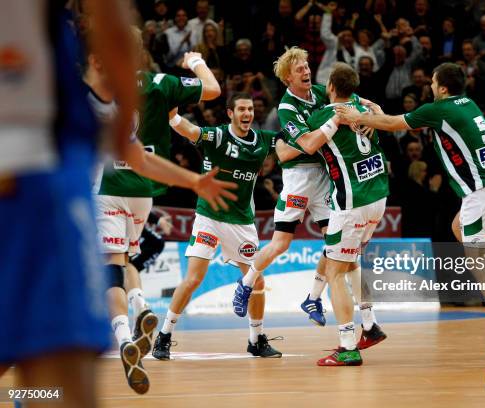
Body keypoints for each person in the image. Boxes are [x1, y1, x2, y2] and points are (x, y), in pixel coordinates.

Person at [0, 1, 134, 406]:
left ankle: (22, 394)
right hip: (31, 157)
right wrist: (126, 111)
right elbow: (110, 18)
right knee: (62, 382)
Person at [85, 28, 234, 392]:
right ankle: (143, 309)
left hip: (105, 187)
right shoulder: (160, 82)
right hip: (145, 188)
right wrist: (195, 61)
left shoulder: (95, 89)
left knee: (111, 270)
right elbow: (213, 90)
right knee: (129, 259)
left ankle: (123, 339)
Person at [337, 62, 485, 361]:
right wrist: (376, 112)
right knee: (458, 229)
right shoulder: (466, 103)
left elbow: (395, 124)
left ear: (442, 87)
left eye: (432, 82)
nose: (429, 86)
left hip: (479, 192)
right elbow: (400, 120)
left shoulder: (438, 109)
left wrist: (356, 116)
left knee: (476, 256)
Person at [231, 47, 387, 351]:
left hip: (325, 179)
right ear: (288, 77)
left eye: (307, 66)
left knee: (343, 252)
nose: (306, 71)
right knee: (281, 244)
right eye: (300, 68)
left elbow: (361, 101)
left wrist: (374, 113)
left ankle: (321, 302)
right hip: (299, 180)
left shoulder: (321, 93)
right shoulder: (287, 107)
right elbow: (306, 145)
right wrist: (330, 126)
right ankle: (246, 283)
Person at [275, 62, 389, 366]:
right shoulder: (363, 109)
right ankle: (371, 325)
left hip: (351, 202)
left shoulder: (322, 115)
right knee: (350, 261)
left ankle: (347, 345)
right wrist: (368, 105)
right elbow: (376, 114)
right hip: (379, 197)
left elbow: (302, 147)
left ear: (330, 89)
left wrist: (281, 140)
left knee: (335, 272)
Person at [152, 93, 282, 360]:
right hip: (209, 217)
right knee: (194, 279)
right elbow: (186, 128)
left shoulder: (264, 140)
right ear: (230, 113)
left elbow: (298, 143)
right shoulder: (217, 136)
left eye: (250, 109)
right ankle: (164, 335)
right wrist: (171, 112)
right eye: (241, 109)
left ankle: (256, 339)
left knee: (257, 281)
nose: (247, 113)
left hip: (242, 223)